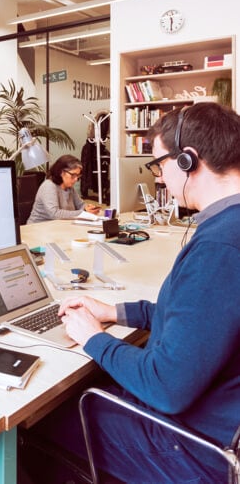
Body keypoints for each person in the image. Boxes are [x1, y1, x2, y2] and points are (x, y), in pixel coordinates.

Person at [24, 103, 240, 483]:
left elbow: (166, 388)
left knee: (38, 416)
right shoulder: (228, 229)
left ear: (188, 161)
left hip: (194, 445)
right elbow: (199, 321)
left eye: (159, 165)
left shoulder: (220, 247)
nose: (160, 179)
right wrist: (115, 313)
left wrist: (93, 338)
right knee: (94, 384)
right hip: (218, 417)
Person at [26, 154, 101, 223]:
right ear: (61, 172)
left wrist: (88, 207)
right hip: (39, 229)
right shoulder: (49, 186)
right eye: (73, 175)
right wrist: (83, 212)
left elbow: (80, 204)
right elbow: (55, 214)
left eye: (78, 176)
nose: (75, 179)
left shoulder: (69, 187)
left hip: (59, 227)